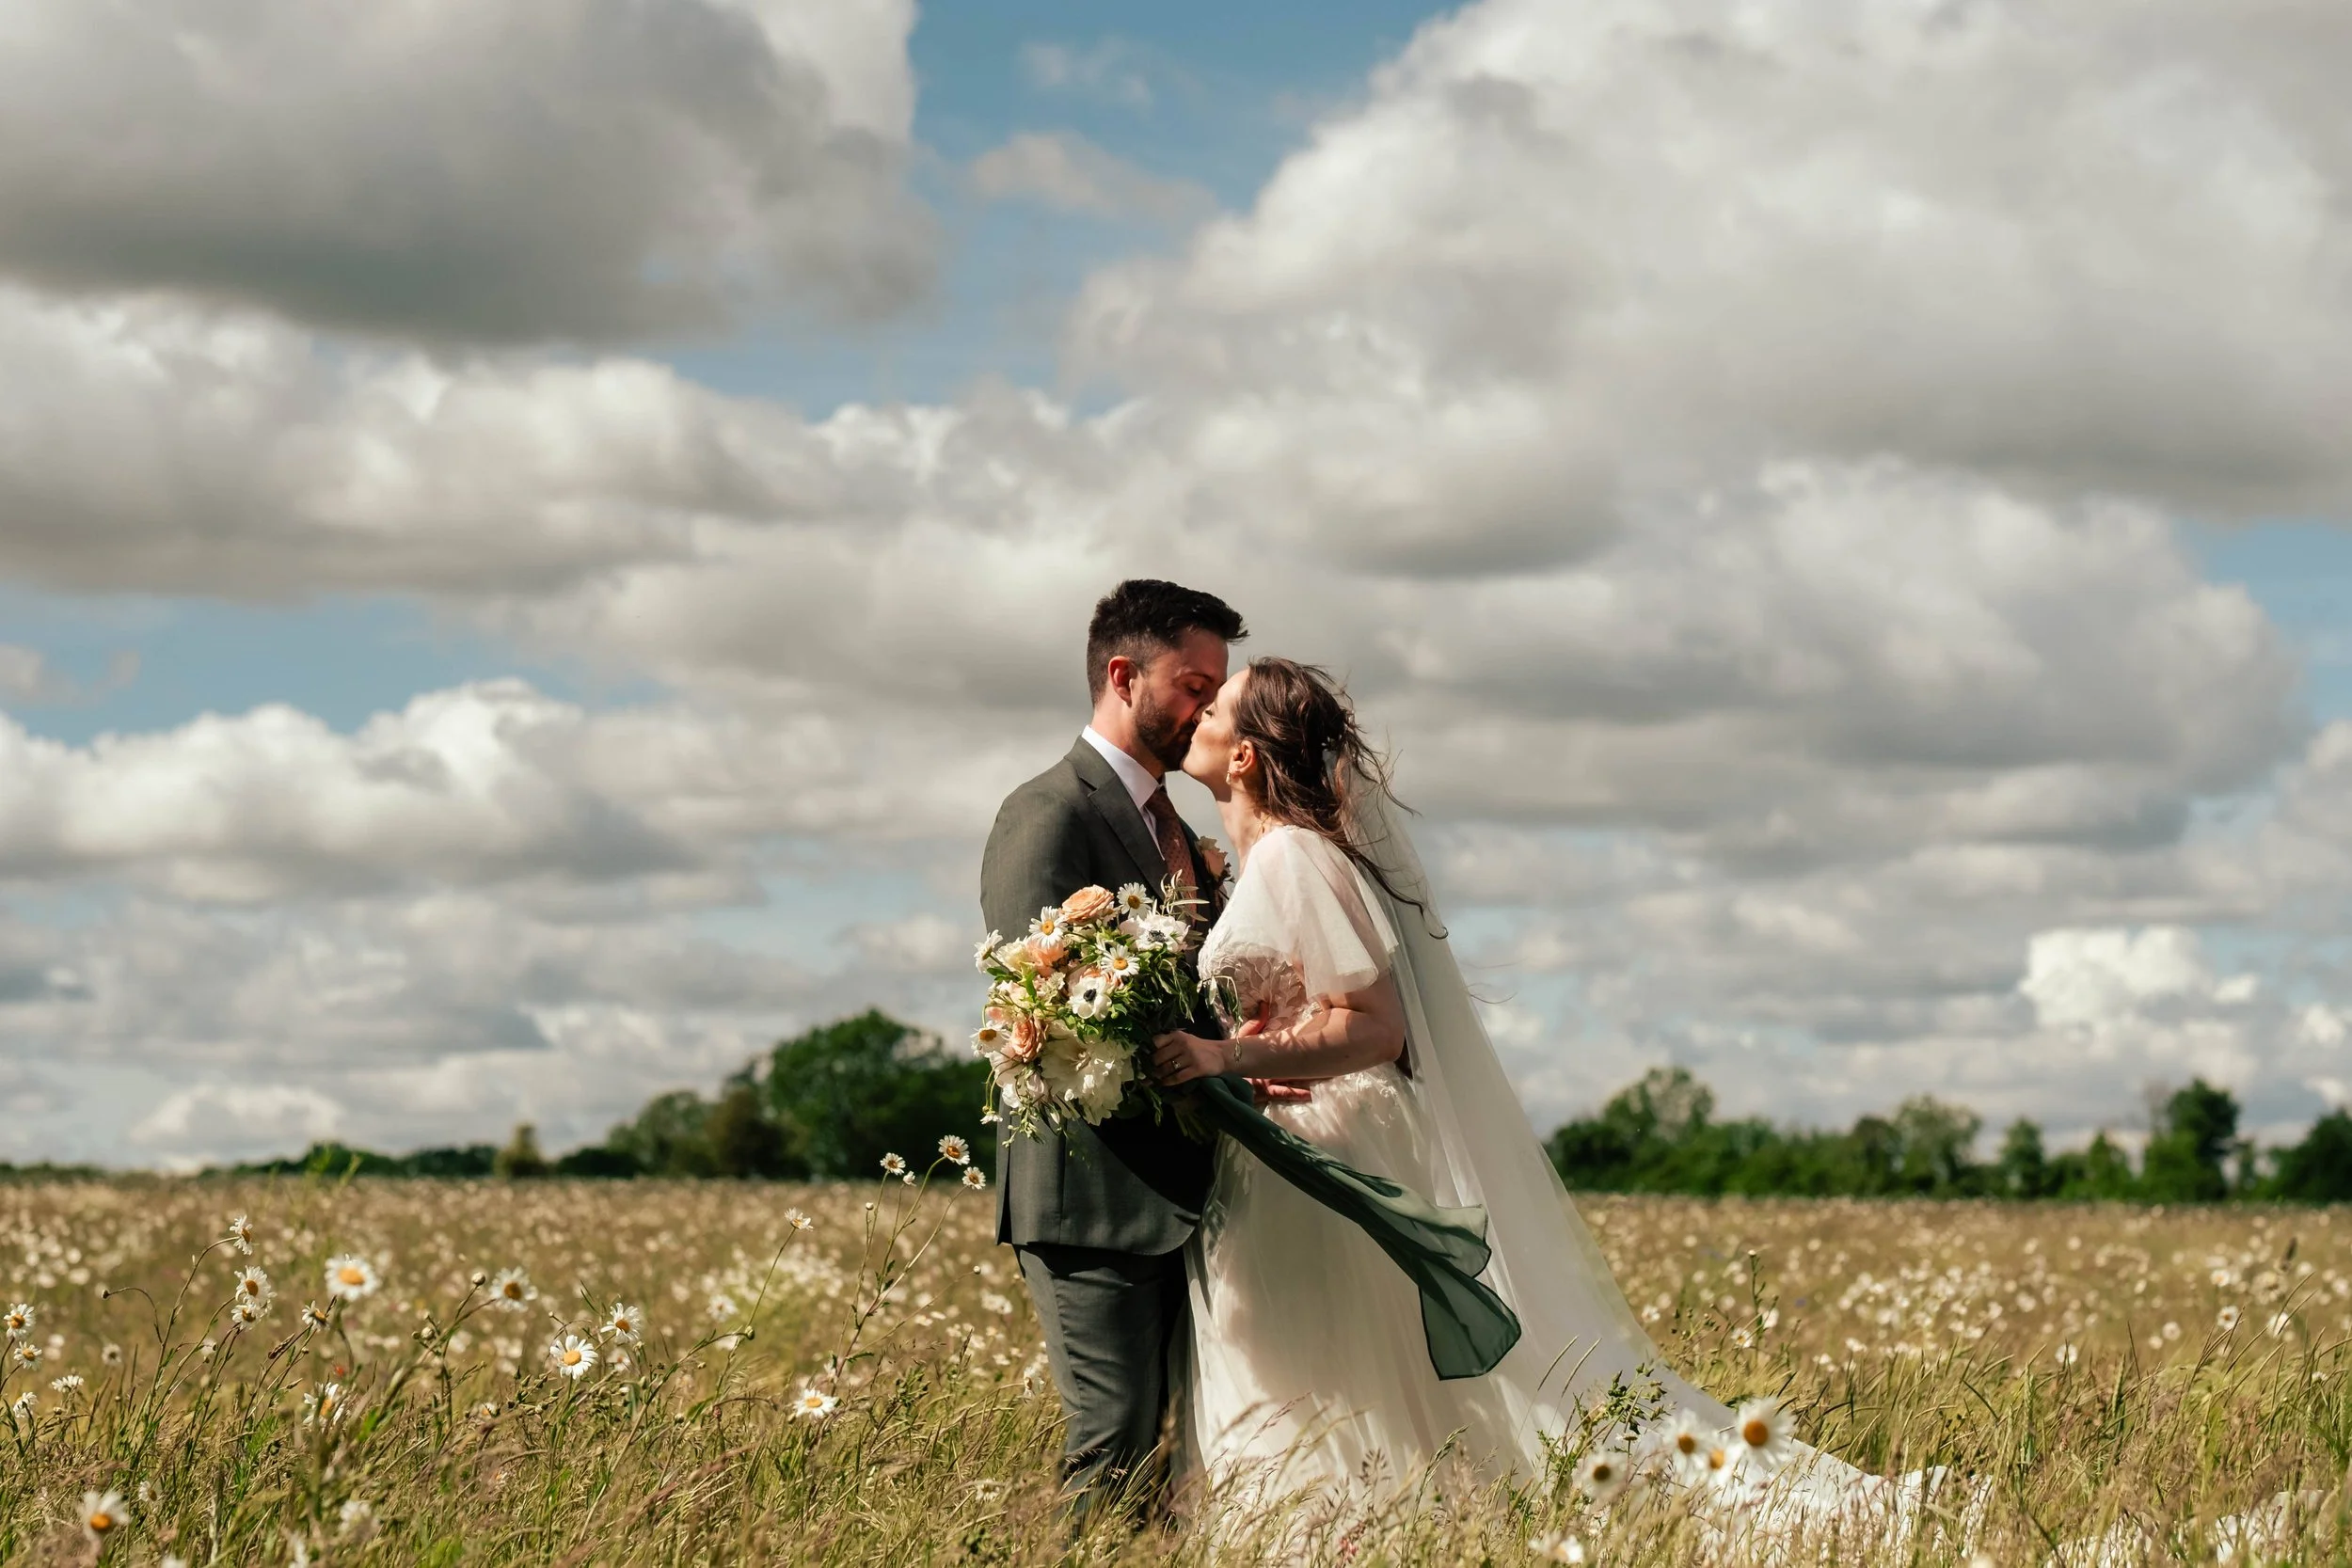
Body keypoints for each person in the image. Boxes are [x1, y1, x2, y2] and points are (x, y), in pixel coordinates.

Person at [1150, 656, 1967, 1544]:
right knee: (1339, 1376)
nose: (1197, 714)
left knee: (1358, 1371)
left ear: (1245, 757)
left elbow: (1378, 1028)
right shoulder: (1268, 857)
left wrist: (1226, 1054)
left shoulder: (1297, 857)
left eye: (1216, 706)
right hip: (1291, 1142)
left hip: (1336, 1144)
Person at [977, 578, 1249, 1524]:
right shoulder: (1050, 811)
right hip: (1092, 1195)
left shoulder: (1177, 826)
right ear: (1123, 674)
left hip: (1186, 1187)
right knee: (1115, 1441)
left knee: (1176, 1458)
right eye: (1192, 685)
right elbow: (1039, 1010)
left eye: (1216, 691)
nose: (1207, 710)